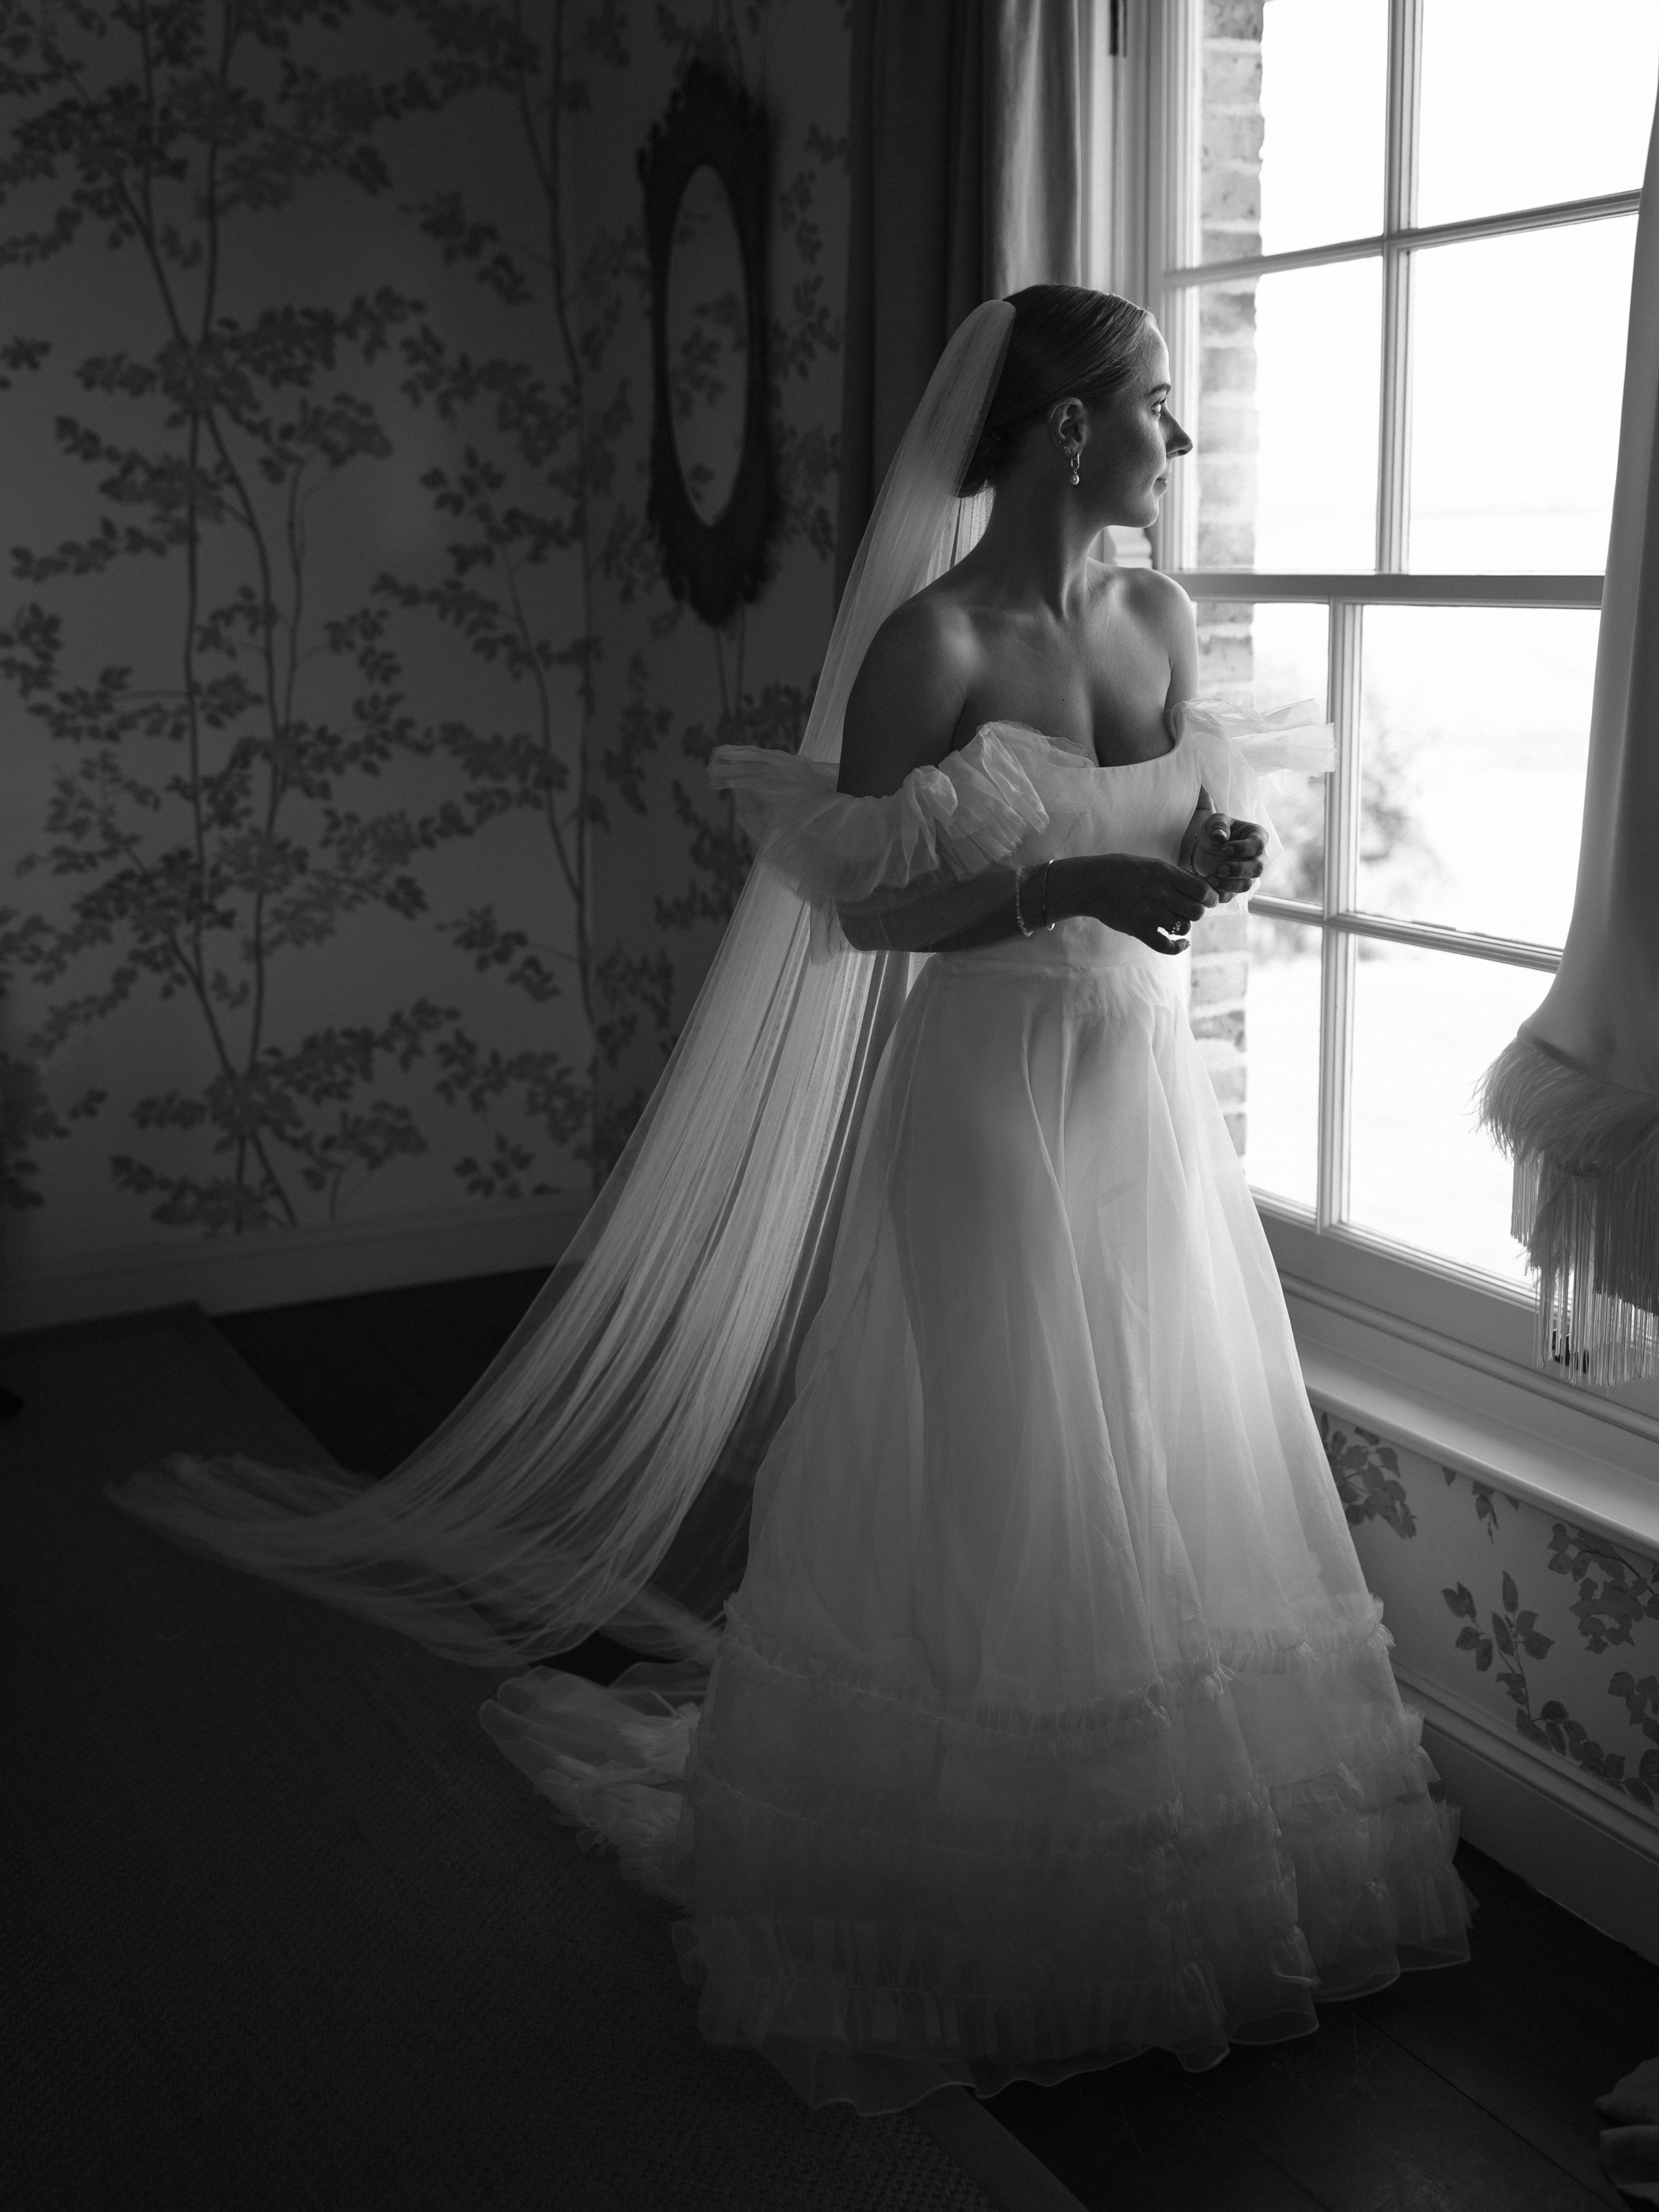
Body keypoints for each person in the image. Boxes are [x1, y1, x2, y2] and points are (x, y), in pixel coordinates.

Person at [118, 287, 1471, 2117]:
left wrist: (1203, 856)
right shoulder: (931, 647)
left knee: (1159, 1436)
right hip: (988, 1089)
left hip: (1143, 1086)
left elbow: (1170, 842)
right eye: (1161, 404)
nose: (1187, 438)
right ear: (1070, 429)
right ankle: (984, 1885)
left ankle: (1173, 1856)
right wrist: (1064, 872)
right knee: (1013, 1455)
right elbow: (868, 916)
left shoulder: (1159, 615)